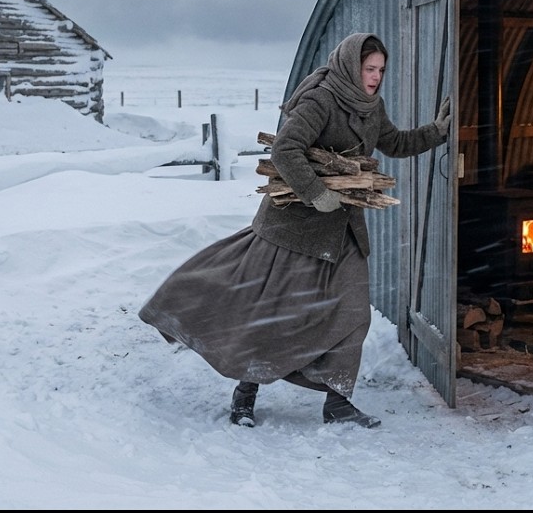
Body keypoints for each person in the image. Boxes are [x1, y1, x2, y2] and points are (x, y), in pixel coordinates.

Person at [138, 31, 453, 429]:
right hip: (295, 228)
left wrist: (436, 132)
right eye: (369, 68)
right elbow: (285, 149)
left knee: (353, 314)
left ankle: (338, 402)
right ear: (350, 65)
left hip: (342, 231)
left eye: (380, 70)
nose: (375, 77)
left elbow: (394, 142)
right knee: (273, 312)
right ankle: (246, 390)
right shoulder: (321, 98)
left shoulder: (372, 107)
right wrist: (316, 192)